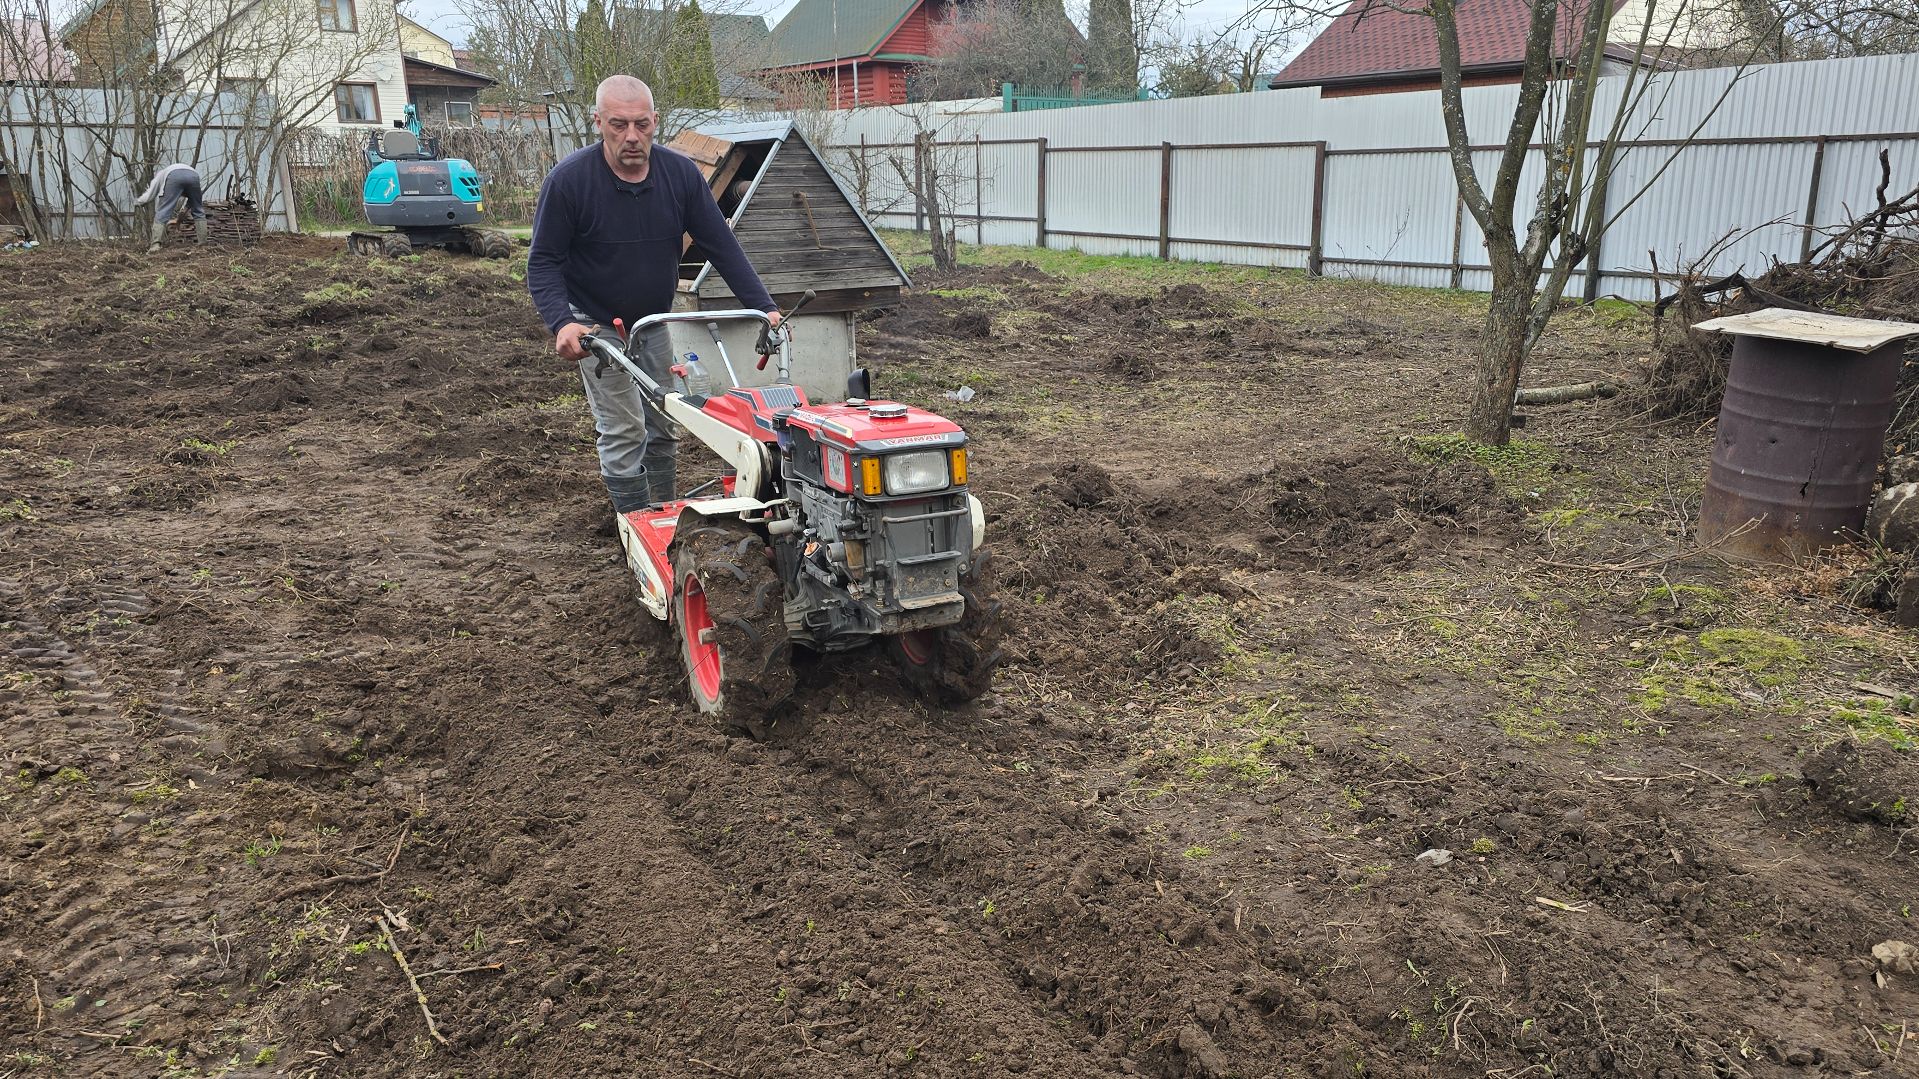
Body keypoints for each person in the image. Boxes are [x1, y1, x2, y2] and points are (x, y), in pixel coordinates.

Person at [526, 75, 781, 514]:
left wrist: (766, 308)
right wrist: (562, 322)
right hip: (597, 324)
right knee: (624, 429)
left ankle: (662, 516)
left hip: (653, 322)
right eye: (618, 125)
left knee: (666, 420)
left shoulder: (680, 175)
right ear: (598, 122)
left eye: (641, 125)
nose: (631, 137)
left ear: (655, 122)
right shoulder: (569, 182)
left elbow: (721, 245)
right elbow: (543, 260)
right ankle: (634, 527)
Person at [132, 162, 207, 253]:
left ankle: (155, 246)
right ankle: (203, 245)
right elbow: (193, 201)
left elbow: (150, 194)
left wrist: (138, 202)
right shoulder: (188, 172)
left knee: (163, 210)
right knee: (198, 209)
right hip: (194, 176)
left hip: (174, 176)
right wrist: (181, 214)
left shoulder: (161, 175)